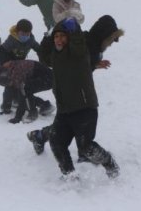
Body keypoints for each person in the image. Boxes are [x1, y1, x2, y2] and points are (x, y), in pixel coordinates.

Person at [30, 18, 119, 179]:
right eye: (56, 37)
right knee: (56, 142)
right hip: (64, 109)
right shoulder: (55, 56)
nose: (59, 40)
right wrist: (47, 36)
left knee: (85, 147)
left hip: (84, 108)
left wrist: (75, 31)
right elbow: (44, 57)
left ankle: (109, 162)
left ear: (70, 38)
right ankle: (69, 175)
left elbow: (78, 48)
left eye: (63, 36)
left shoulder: (79, 51)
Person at [0, 19, 53, 122]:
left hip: (22, 67)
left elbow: (39, 50)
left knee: (21, 89)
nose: (25, 36)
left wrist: (45, 61)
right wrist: (5, 63)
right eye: (23, 34)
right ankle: (7, 106)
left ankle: (42, 105)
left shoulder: (30, 40)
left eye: (27, 33)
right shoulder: (12, 40)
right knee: (12, 87)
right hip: (11, 65)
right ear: (17, 32)